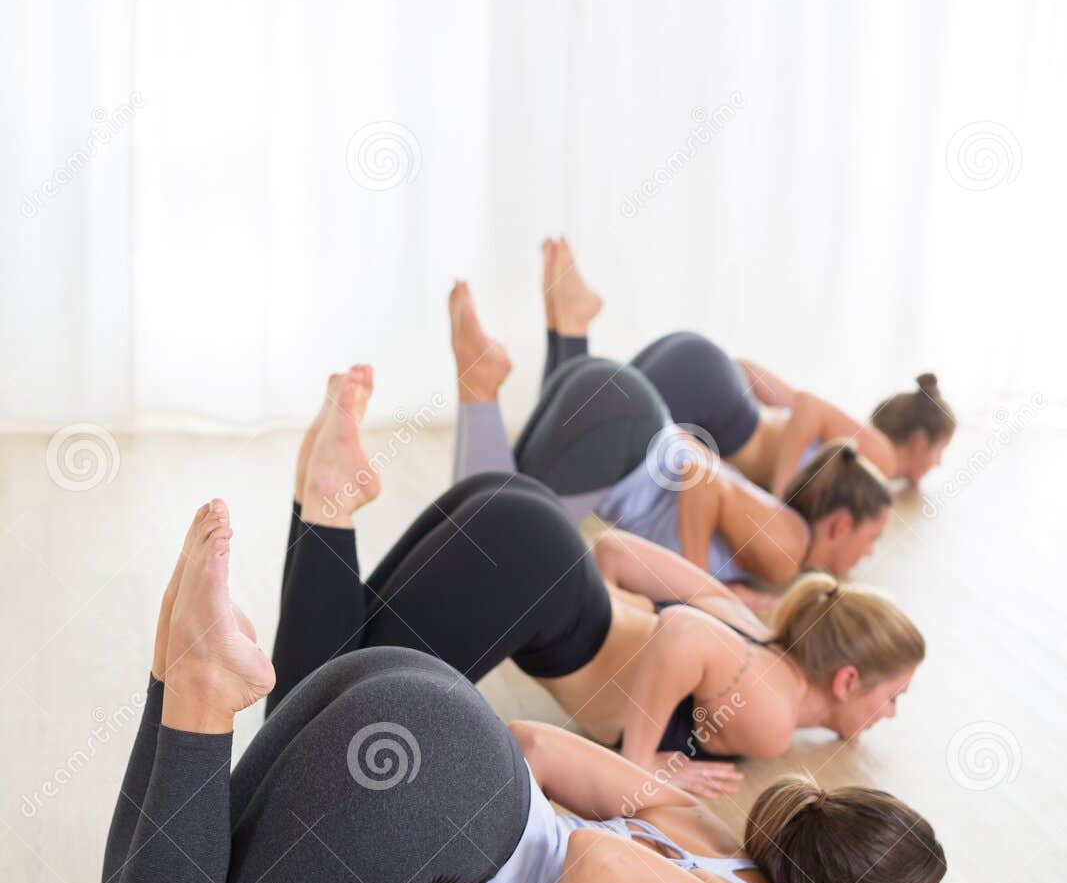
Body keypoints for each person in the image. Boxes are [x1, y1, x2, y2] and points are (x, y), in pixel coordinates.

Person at [93, 501, 946, 883]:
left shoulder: (715, 839)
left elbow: (535, 745)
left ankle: (180, 674)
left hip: (412, 698)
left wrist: (445, 760)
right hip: (428, 783)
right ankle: (199, 692)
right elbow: (602, 871)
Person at [265, 366, 924, 795]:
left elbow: (611, 554)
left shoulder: (749, 623)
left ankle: (317, 495)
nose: (890, 714)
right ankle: (325, 500)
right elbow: (682, 635)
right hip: (532, 570)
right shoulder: (775, 715)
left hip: (527, 523)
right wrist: (636, 765)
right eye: (892, 696)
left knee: (333, 687)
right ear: (845, 679)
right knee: (323, 740)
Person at [450, 276, 894, 595]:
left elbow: (698, 464)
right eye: (872, 539)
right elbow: (701, 479)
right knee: (494, 545)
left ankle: (495, 370)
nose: (871, 554)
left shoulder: (775, 542)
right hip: (621, 431)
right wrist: (697, 592)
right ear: (839, 525)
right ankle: (480, 382)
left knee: (492, 513)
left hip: (619, 412)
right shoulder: (789, 549)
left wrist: (729, 596)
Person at [538, 235, 956, 495]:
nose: (937, 465)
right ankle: (570, 323)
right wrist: (782, 492)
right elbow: (807, 406)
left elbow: (752, 372)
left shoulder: (846, 439)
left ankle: (563, 323)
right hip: (717, 401)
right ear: (919, 442)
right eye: (940, 452)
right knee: (583, 440)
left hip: (704, 368)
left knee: (577, 423)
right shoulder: (878, 458)